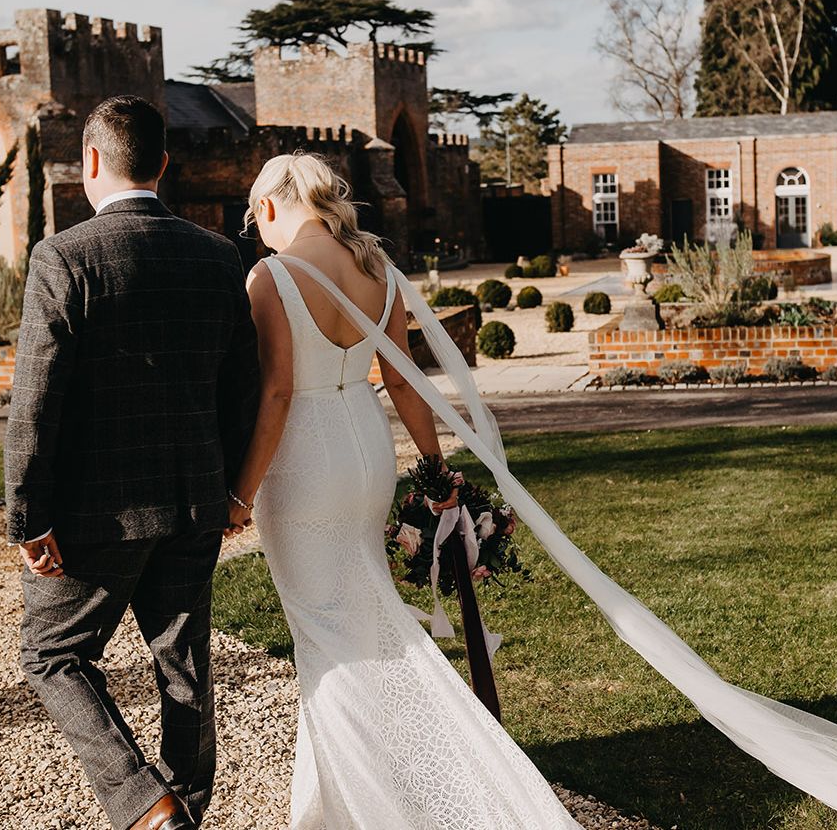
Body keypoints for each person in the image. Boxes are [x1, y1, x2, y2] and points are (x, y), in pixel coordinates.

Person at [226, 151, 581, 829]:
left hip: (304, 462)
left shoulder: (271, 275)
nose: (257, 230)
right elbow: (402, 380)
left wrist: (240, 496)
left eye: (255, 217)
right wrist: (436, 471)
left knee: (324, 633)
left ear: (269, 207)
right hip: (367, 451)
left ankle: (368, 806)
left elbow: (275, 393)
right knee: (359, 616)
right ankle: (329, 797)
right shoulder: (376, 269)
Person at [4, 95, 258, 830]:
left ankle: (146, 805)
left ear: (90, 160)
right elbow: (242, 388)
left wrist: (28, 515)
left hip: (96, 513)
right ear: (163, 164)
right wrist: (232, 490)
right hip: (194, 500)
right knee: (184, 664)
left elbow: (36, 401)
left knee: (52, 654)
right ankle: (183, 812)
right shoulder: (218, 255)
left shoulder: (63, 257)